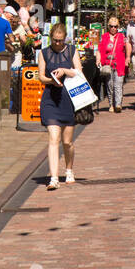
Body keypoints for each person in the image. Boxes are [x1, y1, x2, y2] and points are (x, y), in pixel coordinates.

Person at [37, 22, 83, 189]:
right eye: (55, 40)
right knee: (53, 138)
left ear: (65, 38)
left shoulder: (71, 50)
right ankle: (54, 178)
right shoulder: (44, 53)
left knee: (67, 142)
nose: (57, 43)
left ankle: (69, 169)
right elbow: (40, 76)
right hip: (50, 98)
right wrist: (51, 80)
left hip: (68, 99)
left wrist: (65, 71)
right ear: (51, 39)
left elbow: (79, 72)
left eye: (60, 40)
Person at [98, 17, 127, 112]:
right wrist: (98, 60)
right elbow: (99, 50)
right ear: (108, 26)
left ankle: (118, 104)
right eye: (111, 26)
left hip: (119, 64)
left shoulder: (122, 37)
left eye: (115, 26)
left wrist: (128, 58)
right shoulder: (104, 37)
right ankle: (111, 104)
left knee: (118, 85)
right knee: (110, 85)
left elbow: (128, 47)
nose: (113, 28)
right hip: (108, 65)